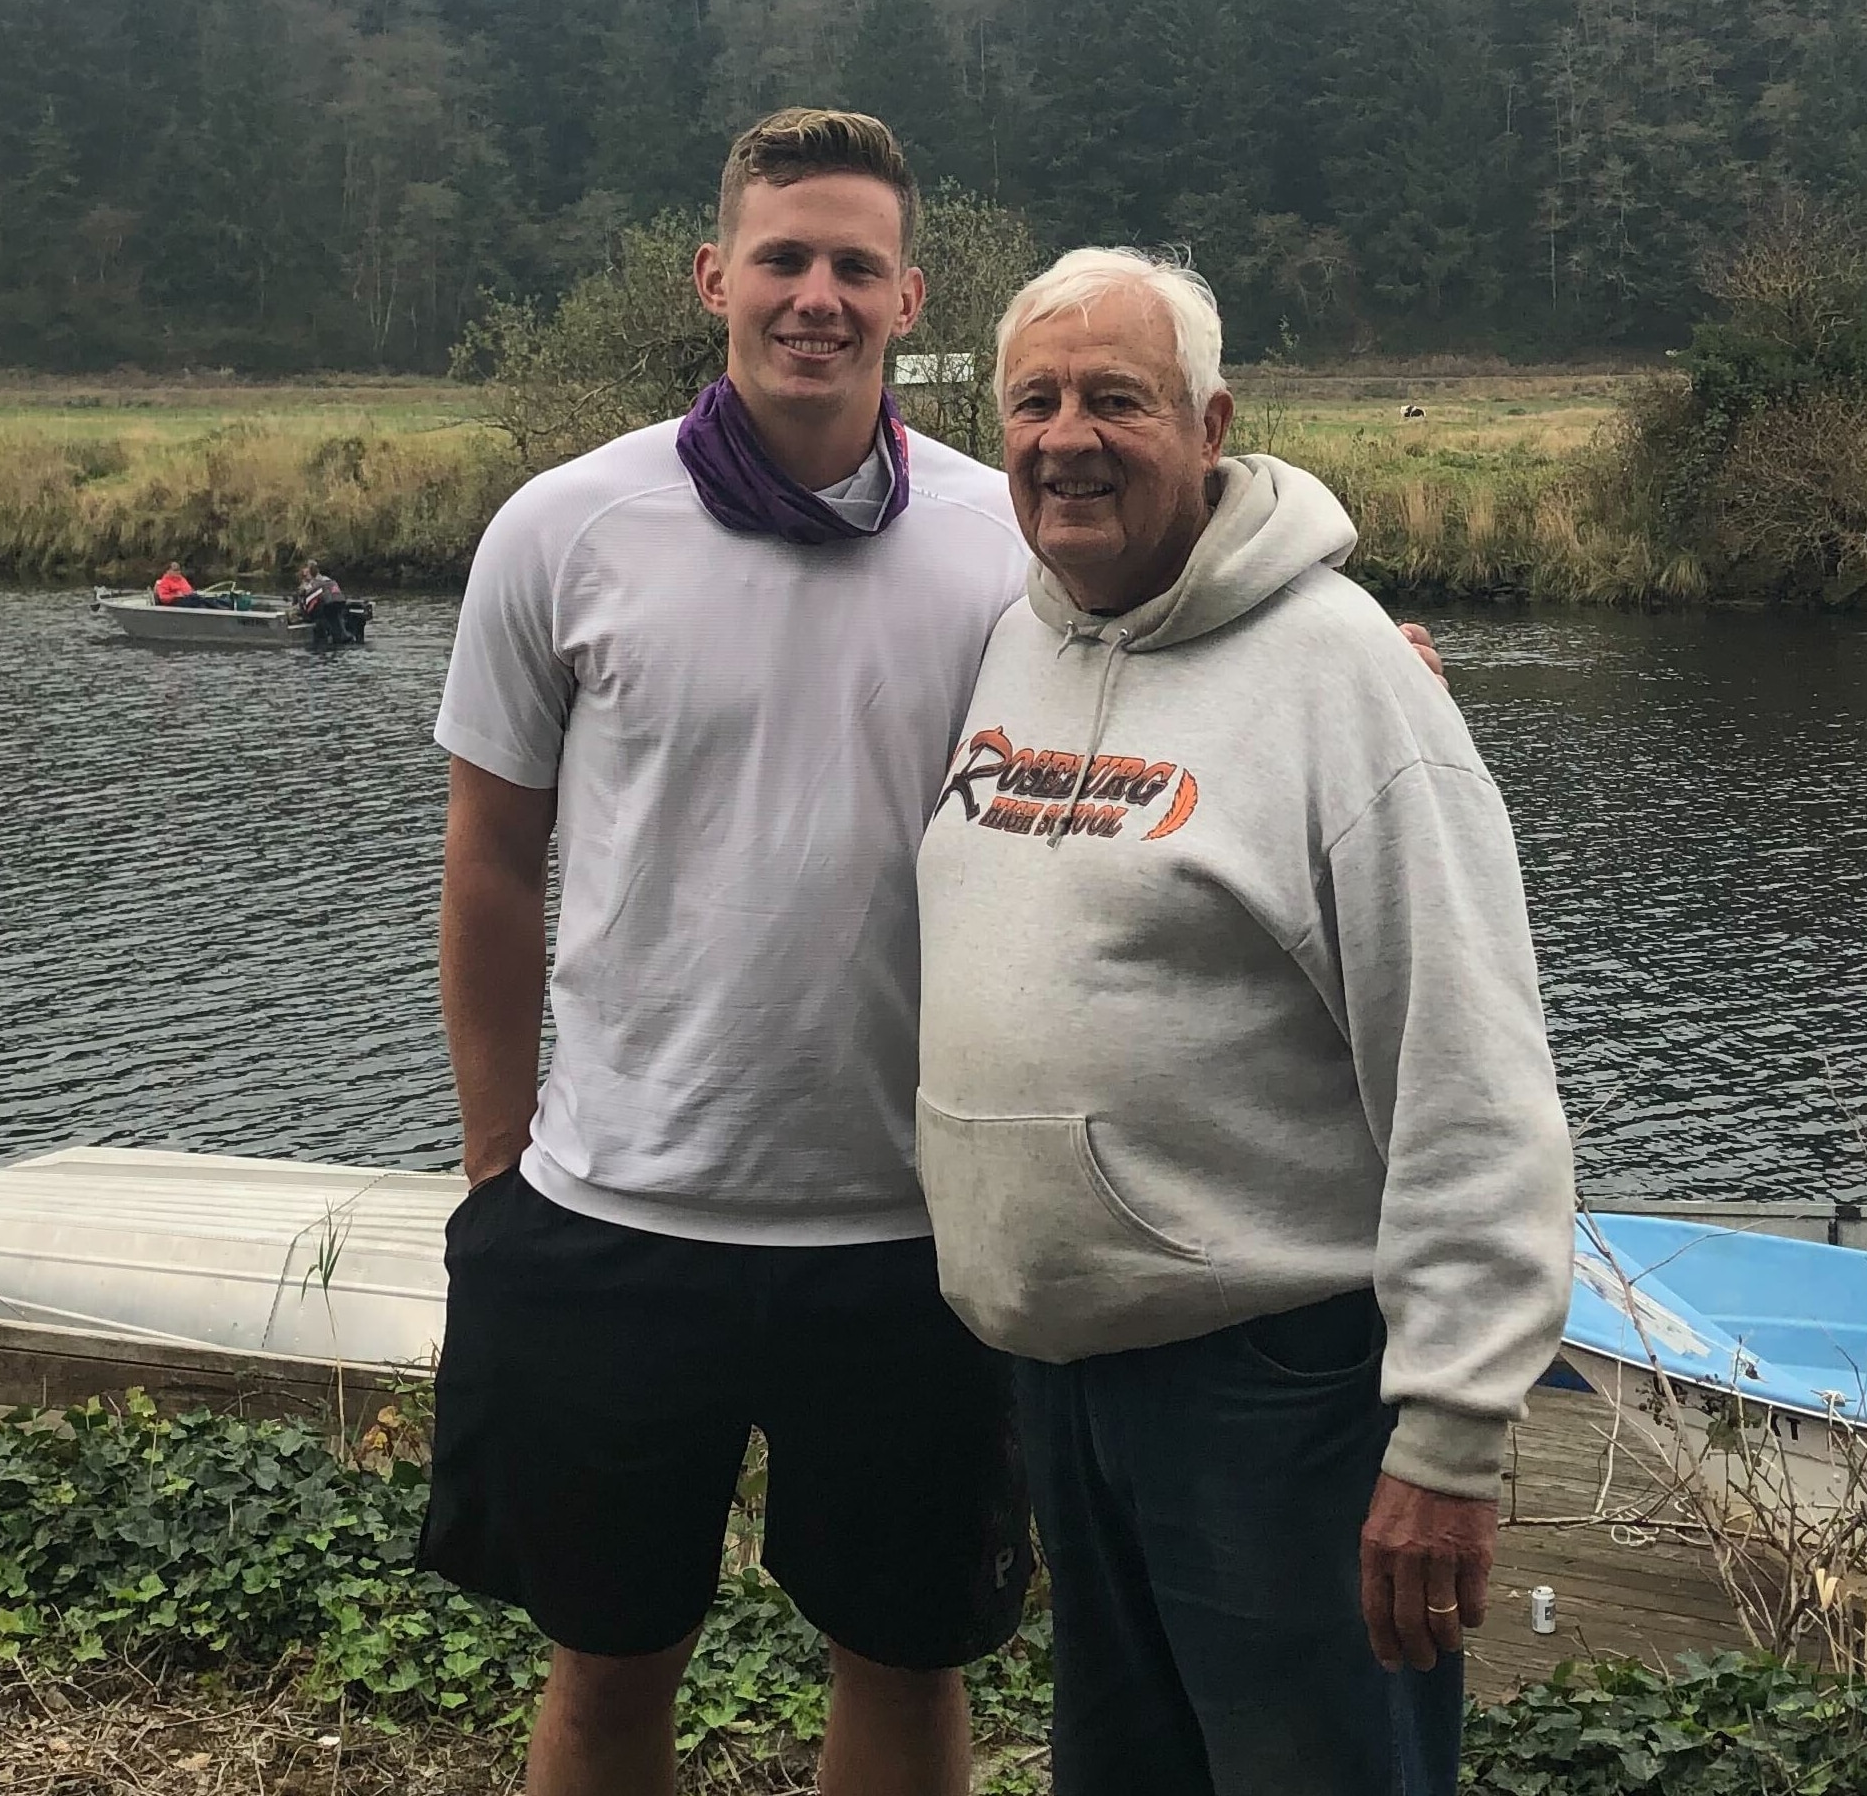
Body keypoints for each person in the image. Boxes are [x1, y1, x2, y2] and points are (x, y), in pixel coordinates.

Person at [425, 111, 1447, 1796]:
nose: (814, 297)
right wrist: (494, 1160)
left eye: (852, 267)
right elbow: (491, 863)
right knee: (608, 1669)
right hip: (615, 1213)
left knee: (904, 1669)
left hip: (917, 1241)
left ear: (910, 298)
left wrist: (1357, 653)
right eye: (781, 259)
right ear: (714, 279)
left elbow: (1182, 641)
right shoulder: (561, 530)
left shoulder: (1006, 538)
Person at [914, 248, 1575, 1796]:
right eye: (1037, 400)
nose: (1067, 436)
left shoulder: (1345, 680)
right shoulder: (1021, 633)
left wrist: (1451, 1435)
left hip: (1276, 1390)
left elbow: (1470, 1072)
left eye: (1117, 401)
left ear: (1212, 427)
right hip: (1067, 1379)